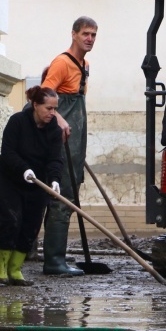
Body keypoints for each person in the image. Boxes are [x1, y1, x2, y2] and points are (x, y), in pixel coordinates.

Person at [41, 16, 98, 276]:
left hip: (75, 142)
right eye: (85, 33)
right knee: (61, 197)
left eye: (93, 35)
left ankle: (53, 255)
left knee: (69, 193)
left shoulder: (85, 65)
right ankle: (54, 261)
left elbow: (79, 104)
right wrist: (60, 120)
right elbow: (43, 96)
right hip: (60, 141)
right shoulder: (62, 63)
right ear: (73, 34)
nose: (89, 38)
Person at [0, 86, 63, 286]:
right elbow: (8, 152)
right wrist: (24, 169)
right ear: (35, 105)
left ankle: (15, 270)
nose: (52, 113)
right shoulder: (17, 122)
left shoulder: (54, 131)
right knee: (11, 221)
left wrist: (55, 180)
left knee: (30, 227)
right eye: (48, 108)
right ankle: (1, 269)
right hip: (11, 180)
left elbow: (55, 159)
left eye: (54, 109)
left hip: (38, 184)